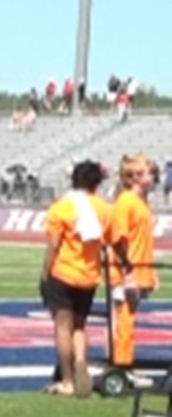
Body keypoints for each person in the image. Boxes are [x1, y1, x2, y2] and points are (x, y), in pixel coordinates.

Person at [41, 160, 131, 396]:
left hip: (63, 273)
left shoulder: (62, 207)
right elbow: (116, 243)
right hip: (89, 276)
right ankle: (81, 361)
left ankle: (68, 380)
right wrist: (127, 263)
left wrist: (44, 274)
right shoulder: (105, 209)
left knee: (62, 328)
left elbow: (53, 246)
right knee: (79, 326)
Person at [106, 154, 159, 378]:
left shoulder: (142, 201)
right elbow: (118, 240)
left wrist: (150, 271)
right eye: (149, 173)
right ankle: (122, 366)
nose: (154, 177)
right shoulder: (127, 201)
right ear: (136, 177)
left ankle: (124, 361)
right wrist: (128, 271)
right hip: (127, 271)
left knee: (128, 318)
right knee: (123, 318)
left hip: (139, 269)